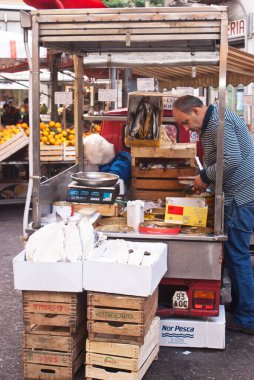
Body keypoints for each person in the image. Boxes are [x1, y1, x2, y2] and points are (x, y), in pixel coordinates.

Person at [173, 95, 254, 335]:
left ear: (197, 110)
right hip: (239, 193)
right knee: (234, 255)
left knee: (237, 256)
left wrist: (204, 177)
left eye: (186, 122)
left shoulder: (219, 122)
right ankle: (242, 308)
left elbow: (231, 159)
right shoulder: (212, 122)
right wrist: (207, 181)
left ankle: (247, 317)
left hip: (242, 196)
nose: (186, 128)